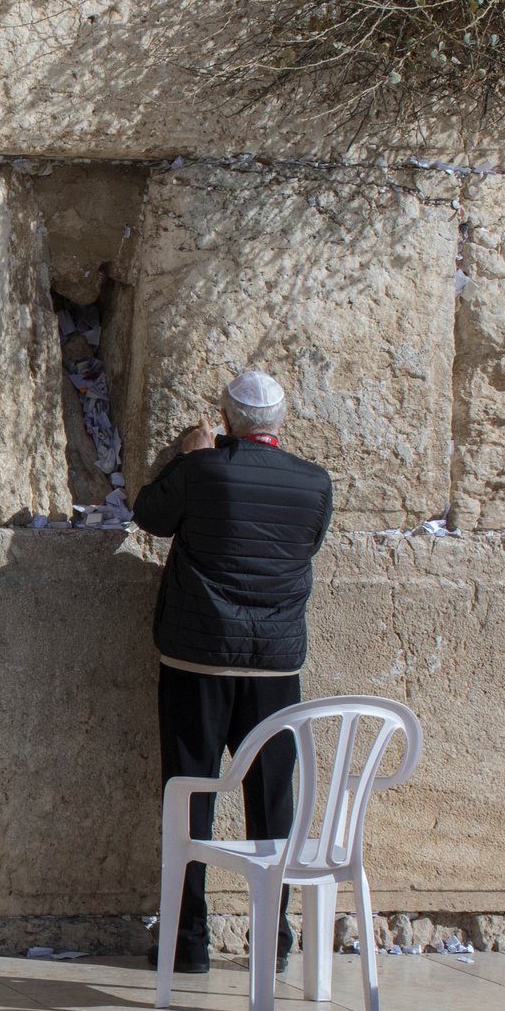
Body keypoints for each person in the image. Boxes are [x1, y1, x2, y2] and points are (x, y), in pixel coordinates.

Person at [131, 368, 335, 975]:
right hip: (274, 668)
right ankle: (271, 939)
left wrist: (184, 456)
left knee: (189, 794)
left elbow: (150, 515)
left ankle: (186, 941)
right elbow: (309, 543)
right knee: (272, 800)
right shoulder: (314, 482)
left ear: (225, 418)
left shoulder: (200, 471)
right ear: (281, 421)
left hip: (198, 658)